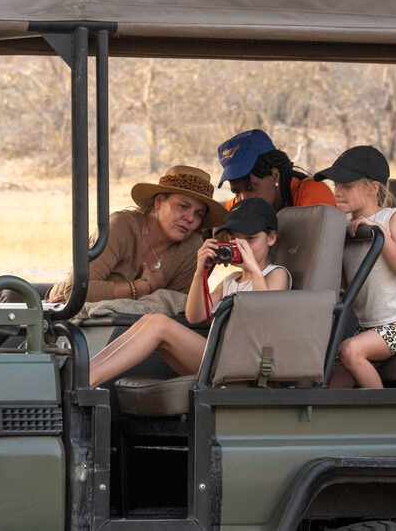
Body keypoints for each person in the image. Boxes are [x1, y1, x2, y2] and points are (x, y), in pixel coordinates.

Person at [89, 197, 291, 387]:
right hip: (225, 358)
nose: (240, 246)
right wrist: (200, 271)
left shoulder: (275, 274)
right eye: (234, 240)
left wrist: (254, 270)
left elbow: (264, 321)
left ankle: (88, 378)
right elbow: (195, 316)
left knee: (160, 324)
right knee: (150, 320)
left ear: (271, 238)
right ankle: (85, 375)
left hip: (247, 364)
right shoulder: (230, 282)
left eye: (250, 239)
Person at [314, 146, 396, 388]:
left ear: (373, 188)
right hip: (368, 328)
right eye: (336, 185)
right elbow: (346, 286)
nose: (337, 192)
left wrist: (379, 233)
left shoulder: (392, 218)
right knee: (326, 379)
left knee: (350, 351)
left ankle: (382, 421)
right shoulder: (347, 230)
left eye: (346, 186)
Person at [47, 165, 228, 304]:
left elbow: (177, 307)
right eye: (183, 206)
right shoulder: (121, 227)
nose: (190, 218)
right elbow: (75, 291)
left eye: (199, 214)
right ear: (158, 203)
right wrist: (142, 287)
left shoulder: (191, 249)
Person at [217, 129, 337, 211]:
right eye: (236, 193)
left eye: (251, 188)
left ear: (274, 175)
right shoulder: (238, 204)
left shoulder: (312, 193)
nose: (243, 199)